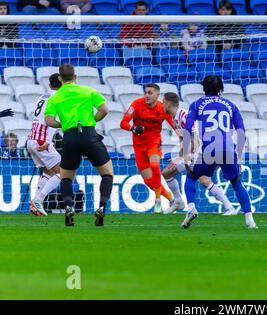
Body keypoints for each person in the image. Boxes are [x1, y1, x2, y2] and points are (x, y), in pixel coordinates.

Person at [180, 76, 257, 229]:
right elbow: (241, 132)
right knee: (236, 183)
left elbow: (187, 129)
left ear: (203, 88)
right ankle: (250, 220)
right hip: (228, 149)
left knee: (191, 177)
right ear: (221, 88)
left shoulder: (196, 104)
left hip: (208, 148)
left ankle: (191, 208)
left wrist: (187, 156)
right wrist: (239, 159)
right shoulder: (231, 105)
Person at [44, 64, 113, 227]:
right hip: (89, 134)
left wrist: (64, 124)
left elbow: (48, 121)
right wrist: (92, 121)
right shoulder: (88, 91)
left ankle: (68, 207)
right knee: (107, 173)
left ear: (60, 79)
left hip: (70, 136)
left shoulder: (55, 97)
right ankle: (102, 207)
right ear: (75, 77)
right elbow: (104, 109)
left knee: (66, 177)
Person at [161, 92, 237, 216]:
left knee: (201, 179)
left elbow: (195, 138)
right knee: (170, 173)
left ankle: (227, 207)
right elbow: (183, 139)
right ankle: (179, 201)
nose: (161, 105)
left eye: (163, 102)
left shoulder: (184, 115)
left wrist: (184, 157)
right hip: (196, 152)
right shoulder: (175, 119)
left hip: (202, 151)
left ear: (169, 103)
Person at [120, 84, 175, 214]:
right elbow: (123, 123)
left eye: (150, 93)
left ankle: (158, 202)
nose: (147, 96)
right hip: (139, 146)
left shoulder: (162, 108)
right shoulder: (137, 104)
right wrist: (133, 128)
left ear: (157, 95)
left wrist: (183, 136)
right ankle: (172, 199)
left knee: (155, 166)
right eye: (146, 93)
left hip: (154, 143)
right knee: (149, 182)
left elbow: (174, 125)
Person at [27, 73, 63, 217]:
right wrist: (48, 141)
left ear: (49, 85)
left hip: (32, 139)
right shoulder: (58, 98)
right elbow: (50, 121)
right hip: (42, 141)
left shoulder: (42, 97)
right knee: (63, 172)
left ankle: (35, 205)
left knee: (48, 172)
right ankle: (38, 200)